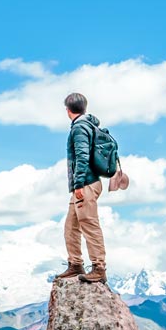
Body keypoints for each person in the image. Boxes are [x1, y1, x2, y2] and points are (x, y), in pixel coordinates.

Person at [55, 92, 107, 284]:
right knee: (71, 225)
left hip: (85, 183)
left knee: (89, 224)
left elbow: (82, 156)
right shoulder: (89, 124)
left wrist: (78, 184)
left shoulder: (79, 127)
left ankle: (98, 267)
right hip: (87, 182)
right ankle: (75, 264)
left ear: (68, 110)